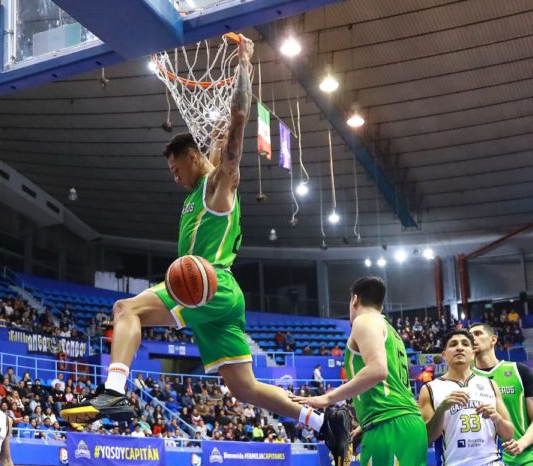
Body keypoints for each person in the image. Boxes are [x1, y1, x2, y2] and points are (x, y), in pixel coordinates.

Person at [61, 34, 345, 444]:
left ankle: (113, 394)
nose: (174, 176)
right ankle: (323, 423)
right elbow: (215, 140)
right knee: (243, 388)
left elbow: (237, 124)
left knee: (126, 308)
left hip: (207, 283)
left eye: (176, 168)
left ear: (192, 159)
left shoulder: (218, 186)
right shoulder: (200, 189)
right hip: (221, 295)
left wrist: (244, 66)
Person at [293, 276, 427, 466]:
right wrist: (365, 426)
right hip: (406, 424)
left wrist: (327, 398)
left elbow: (378, 370)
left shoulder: (364, 320)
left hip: (390, 425)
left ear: (354, 299)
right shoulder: (391, 331)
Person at [418, 330, 526, 466]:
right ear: (444, 355)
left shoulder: (490, 384)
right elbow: (427, 437)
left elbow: (509, 433)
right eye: (453, 344)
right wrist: (443, 408)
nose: (459, 347)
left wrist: (497, 417)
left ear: (472, 352)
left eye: (465, 344)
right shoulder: (430, 389)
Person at [471, 323, 533, 466]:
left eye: (478, 333)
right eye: (469, 335)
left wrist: (521, 443)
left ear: (493, 339)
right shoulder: (466, 379)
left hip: (523, 459)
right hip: (486, 465)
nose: (472, 338)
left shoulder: (519, 371)